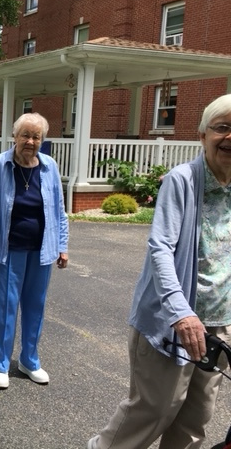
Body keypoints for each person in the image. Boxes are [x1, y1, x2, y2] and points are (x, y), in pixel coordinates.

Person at [88, 94, 231, 448]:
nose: (230, 138)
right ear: (202, 135)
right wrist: (181, 311)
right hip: (173, 321)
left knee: (195, 421)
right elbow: (160, 248)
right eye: (222, 128)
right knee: (153, 411)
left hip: (219, 324)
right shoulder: (182, 181)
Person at [0, 112, 68, 389]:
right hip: (7, 250)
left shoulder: (49, 167)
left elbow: (59, 211)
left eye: (36, 137)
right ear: (15, 136)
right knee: (5, 308)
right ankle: (0, 364)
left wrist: (62, 245)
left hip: (42, 250)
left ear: (42, 140)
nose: (31, 141)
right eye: (26, 135)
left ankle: (29, 360)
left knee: (35, 308)